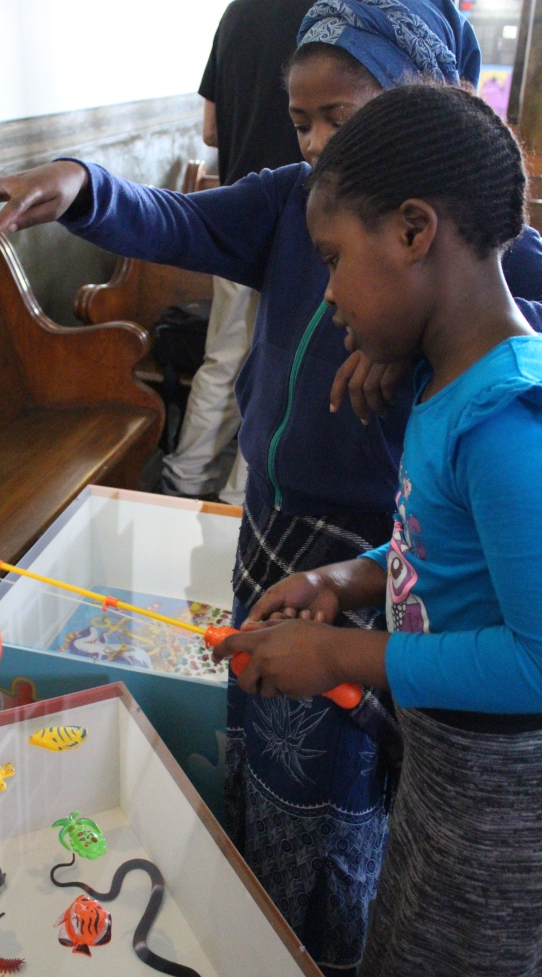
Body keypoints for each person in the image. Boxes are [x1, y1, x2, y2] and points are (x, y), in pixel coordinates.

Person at [0, 0, 542, 974]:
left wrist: (407, 359)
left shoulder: (493, 407)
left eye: (341, 117)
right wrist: (80, 182)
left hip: (471, 753)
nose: (315, 142)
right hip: (353, 568)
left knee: (377, 836)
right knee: (328, 825)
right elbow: (171, 219)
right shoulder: (298, 203)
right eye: (300, 120)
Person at [214, 82, 542, 977]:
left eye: (330, 258)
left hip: (500, 814)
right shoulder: (448, 381)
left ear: (412, 231)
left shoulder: (507, 422)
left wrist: (339, 658)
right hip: (444, 776)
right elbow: (443, 547)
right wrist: (342, 581)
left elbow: (535, 660)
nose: (325, 294)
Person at [161, 0, 333, 505]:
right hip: (306, 226)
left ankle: (184, 481)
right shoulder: (329, 15)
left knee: (223, 356)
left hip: (236, 217)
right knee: (281, 366)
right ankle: (241, 500)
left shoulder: (234, 15)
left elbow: (210, 131)